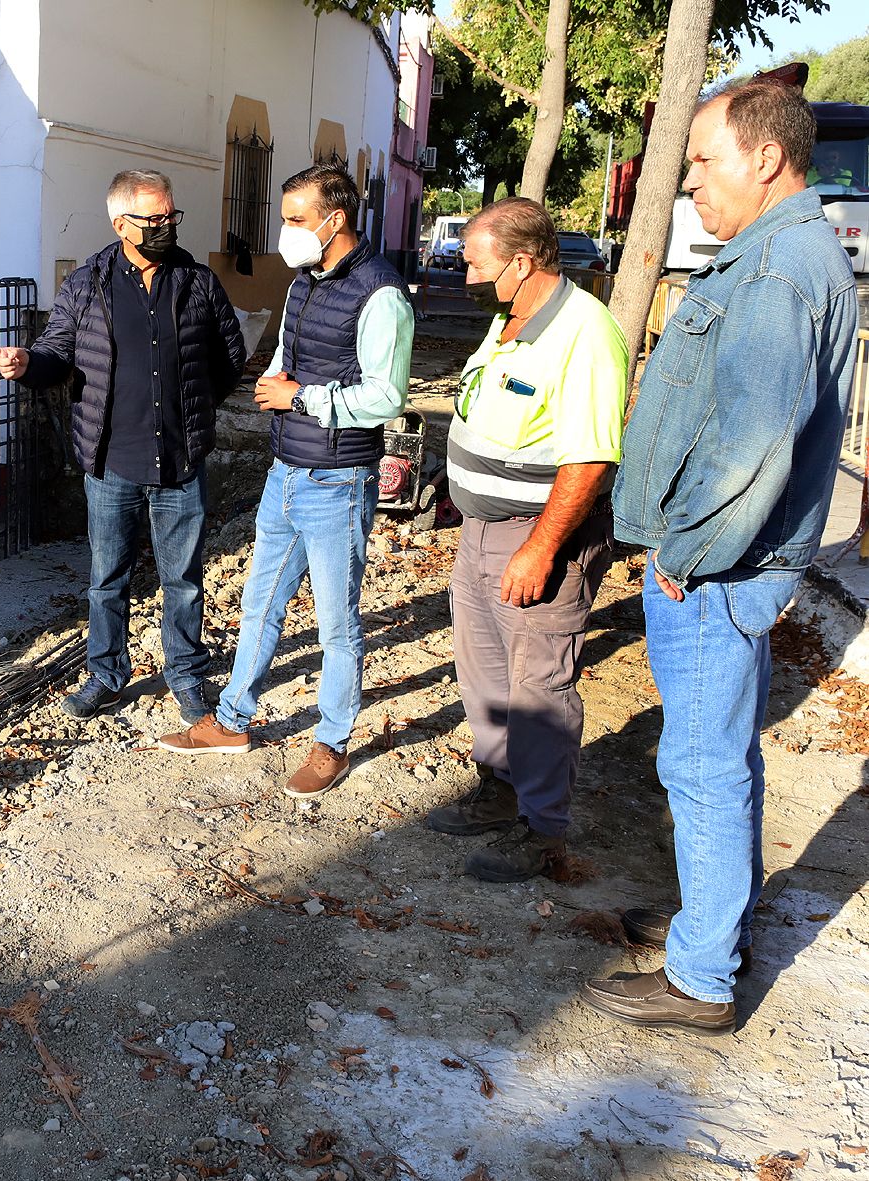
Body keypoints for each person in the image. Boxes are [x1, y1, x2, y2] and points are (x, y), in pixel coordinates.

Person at [584, 79, 858, 1035]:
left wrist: (689, 551)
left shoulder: (781, 271)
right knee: (721, 756)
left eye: (704, 159)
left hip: (718, 569)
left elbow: (752, 444)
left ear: (766, 158)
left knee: (703, 767)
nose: (687, 179)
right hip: (723, 563)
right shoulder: (774, 254)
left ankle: (702, 976)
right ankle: (714, 921)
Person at [157, 163, 413, 797]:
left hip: (339, 479)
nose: (286, 231)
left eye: (297, 219)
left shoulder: (382, 293)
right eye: (284, 217)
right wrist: (276, 384)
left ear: (336, 218)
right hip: (286, 472)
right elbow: (284, 360)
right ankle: (232, 721)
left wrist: (302, 398)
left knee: (337, 624)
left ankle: (331, 741)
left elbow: (387, 396)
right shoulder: (303, 283)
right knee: (259, 605)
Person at [0, 169, 247, 723]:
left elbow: (228, 356)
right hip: (110, 464)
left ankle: (186, 677)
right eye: (152, 219)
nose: (164, 228)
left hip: (180, 461)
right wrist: (28, 364)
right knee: (108, 581)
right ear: (119, 222)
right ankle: (106, 676)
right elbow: (57, 354)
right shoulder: (87, 285)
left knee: (183, 581)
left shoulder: (198, 282)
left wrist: (191, 406)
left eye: (170, 217)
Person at [425, 197, 628, 882]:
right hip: (483, 531)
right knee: (484, 673)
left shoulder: (586, 331)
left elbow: (590, 459)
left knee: (538, 686)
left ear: (522, 260)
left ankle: (543, 831)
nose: (467, 277)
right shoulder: (511, 319)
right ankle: (499, 791)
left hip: (537, 537)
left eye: (477, 264)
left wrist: (541, 547)